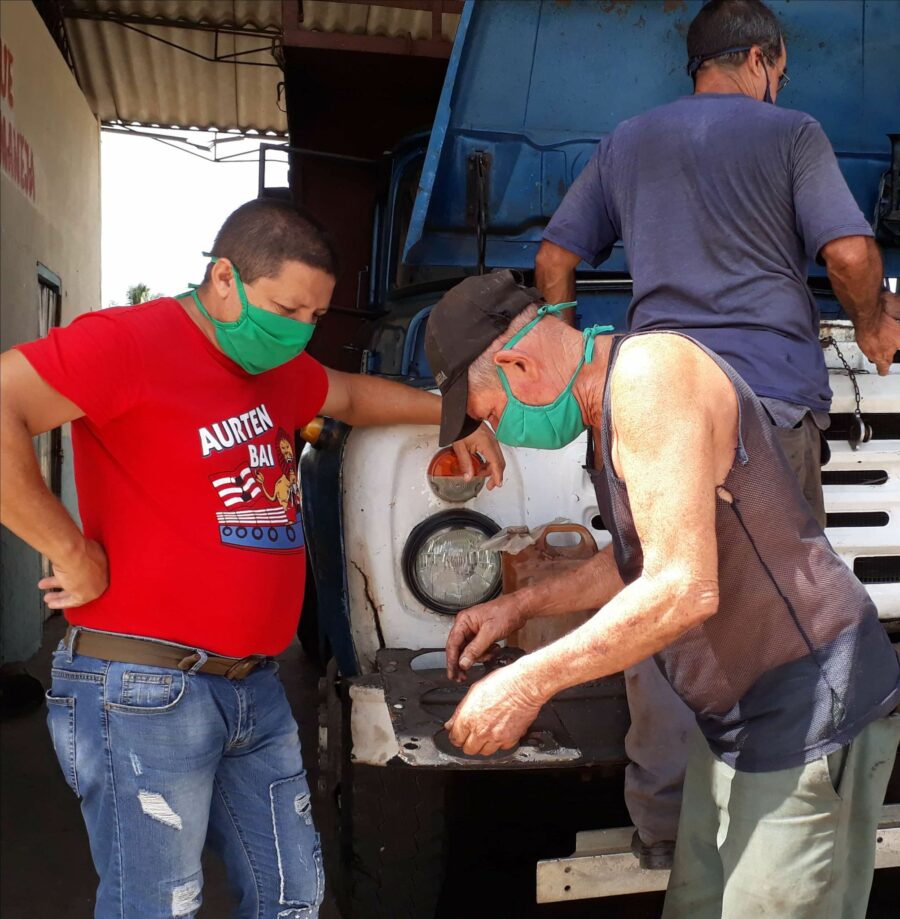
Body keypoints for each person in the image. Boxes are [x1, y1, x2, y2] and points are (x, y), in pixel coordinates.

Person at [0, 198, 504, 919]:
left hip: (251, 688)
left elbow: (353, 395)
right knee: (157, 906)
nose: (299, 330)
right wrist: (67, 546)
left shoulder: (274, 366)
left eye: (314, 317)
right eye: (286, 307)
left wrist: (457, 413)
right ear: (224, 278)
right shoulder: (127, 342)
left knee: (293, 895)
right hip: (144, 686)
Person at [532, 0, 900, 864]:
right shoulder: (792, 133)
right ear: (767, 60)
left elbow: (556, 260)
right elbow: (848, 255)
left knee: (667, 601)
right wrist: (875, 319)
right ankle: (776, 816)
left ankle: (663, 827)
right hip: (765, 404)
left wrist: (572, 342)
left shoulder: (628, 140)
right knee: (776, 614)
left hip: (654, 407)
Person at [426, 269, 900, 918]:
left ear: (516, 363)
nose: (503, 432)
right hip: (735, 717)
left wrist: (527, 681)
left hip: (810, 708)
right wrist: (519, 605)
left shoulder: (651, 382)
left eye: (493, 412)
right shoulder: (612, 401)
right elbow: (641, 556)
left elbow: (680, 587)